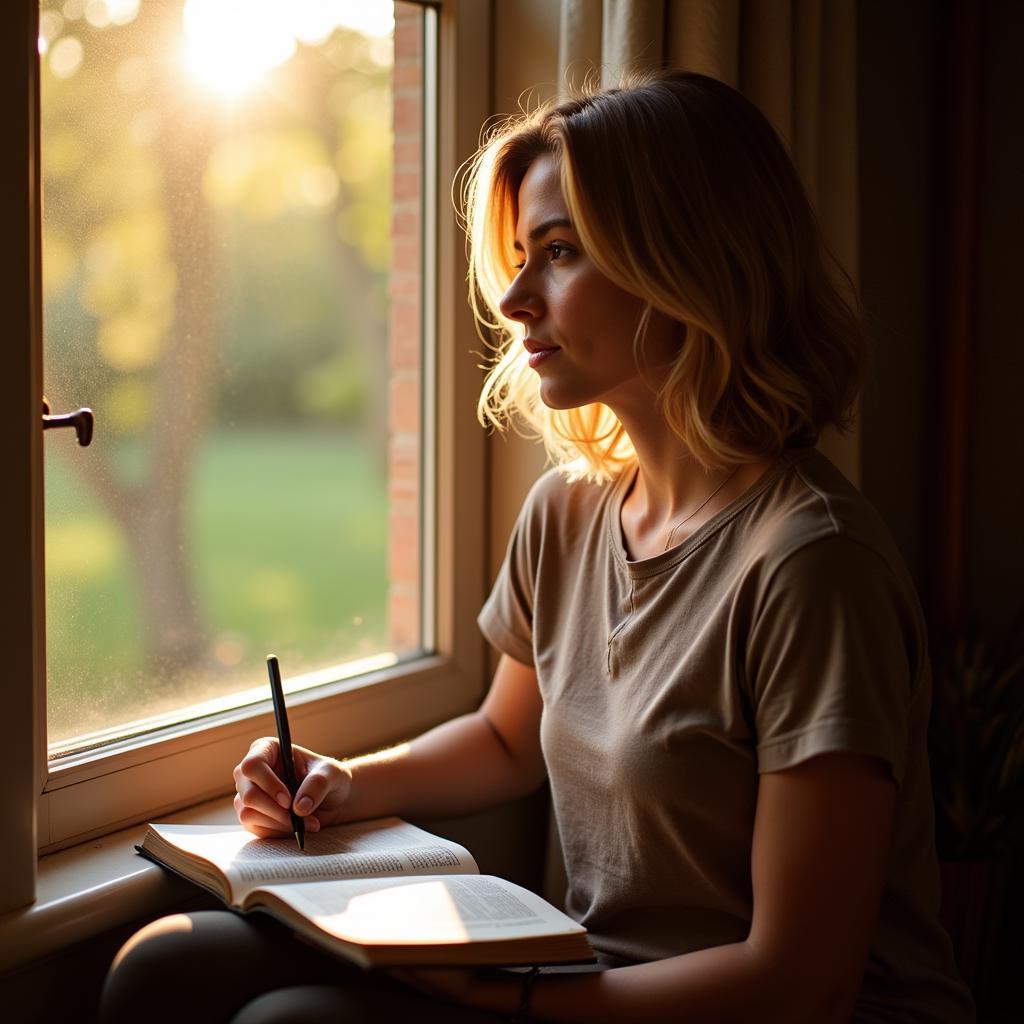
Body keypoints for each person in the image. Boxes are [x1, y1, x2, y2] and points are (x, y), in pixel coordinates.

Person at [101, 70, 974, 1023]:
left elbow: (801, 983)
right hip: (584, 973)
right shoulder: (567, 513)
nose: (514, 299)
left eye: (558, 252)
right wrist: (342, 784)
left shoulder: (813, 568)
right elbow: (507, 737)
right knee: (165, 968)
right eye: (521, 254)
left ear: (689, 262)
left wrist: (514, 1000)